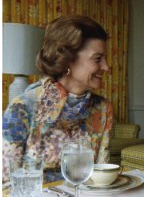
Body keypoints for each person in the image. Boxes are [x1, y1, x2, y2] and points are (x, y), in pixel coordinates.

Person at [3, 15, 113, 185]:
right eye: (97, 59)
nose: (106, 67)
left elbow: (101, 178)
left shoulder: (103, 109)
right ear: (67, 60)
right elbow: (4, 186)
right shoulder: (23, 108)